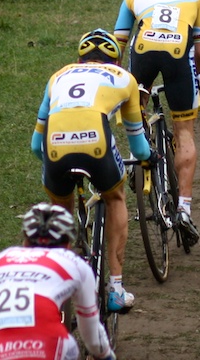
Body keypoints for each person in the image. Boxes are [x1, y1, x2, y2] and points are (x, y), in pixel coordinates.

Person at [30, 29, 149, 312]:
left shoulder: (57, 76)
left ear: (79, 60)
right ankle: (116, 288)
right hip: (96, 142)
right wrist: (149, 157)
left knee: (60, 209)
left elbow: (36, 146)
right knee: (115, 196)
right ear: (115, 61)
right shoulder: (124, 78)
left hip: (55, 145)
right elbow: (140, 148)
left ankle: (57, 290)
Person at [113, 0, 200, 246]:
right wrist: (194, 77)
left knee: (135, 103)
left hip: (143, 52)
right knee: (184, 132)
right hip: (179, 56)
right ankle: (184, 210)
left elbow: (117, 49)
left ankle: (139, 154)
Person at [0, 203, 115, 360]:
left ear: (25, 241)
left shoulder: (0, 260)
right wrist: (107, 356)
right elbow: (92, 338)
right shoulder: (75, 263)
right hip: (47, 346)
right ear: (68, 244)